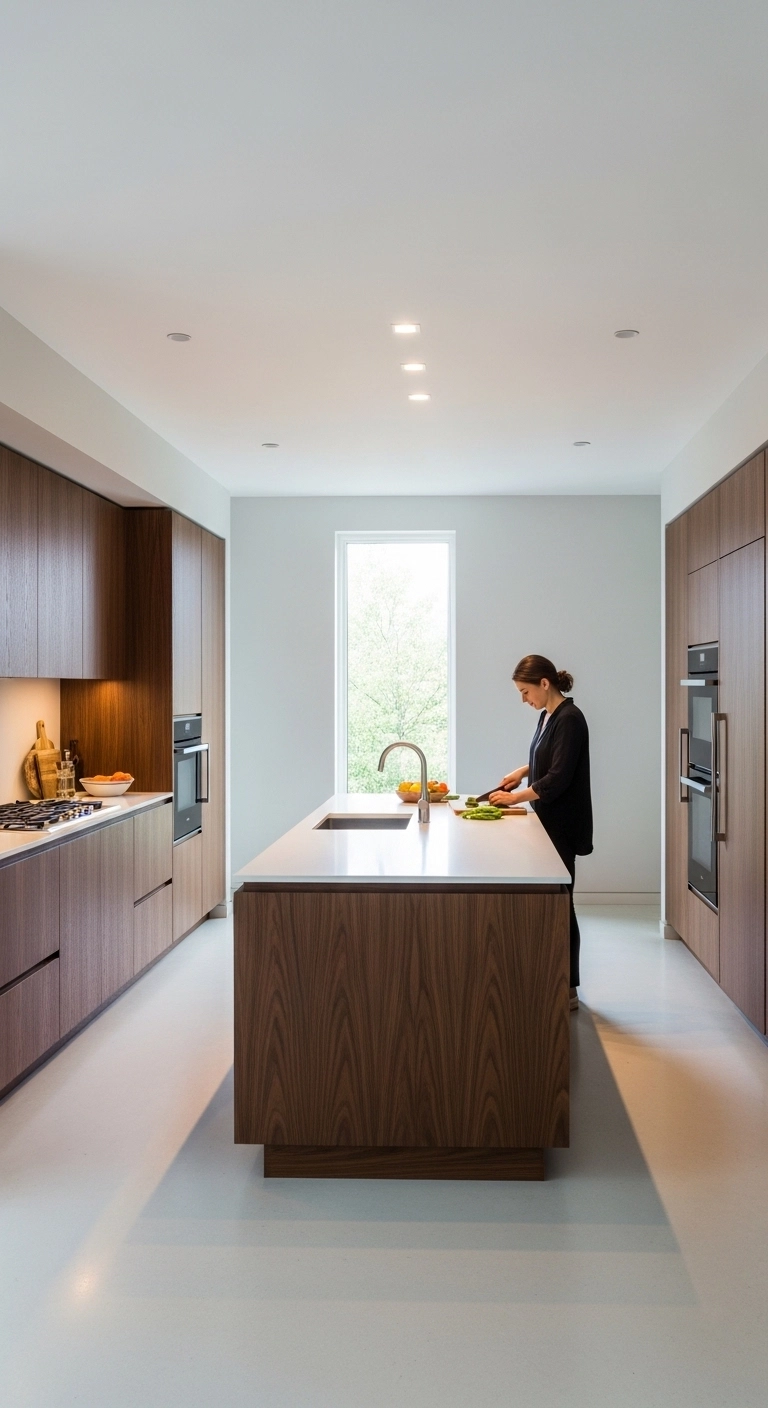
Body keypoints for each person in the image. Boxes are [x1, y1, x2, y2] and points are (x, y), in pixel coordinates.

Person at [489, 654, 592, 1012]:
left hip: (562, 824)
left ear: (544, 684)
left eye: (525, 691)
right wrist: (521, 771)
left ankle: (570, 990)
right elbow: (545, 759)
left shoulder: (571, 719)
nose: (523, 699)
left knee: (562, 902)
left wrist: (516, 797)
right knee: (554, 901)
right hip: (547, 820)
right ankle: (555, 980)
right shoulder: (548, 715)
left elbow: (558, 777)